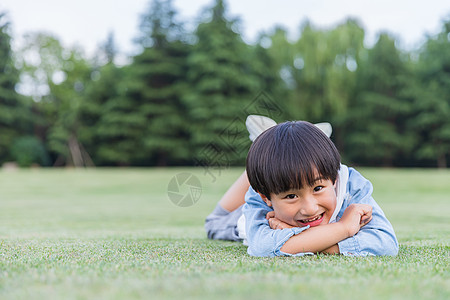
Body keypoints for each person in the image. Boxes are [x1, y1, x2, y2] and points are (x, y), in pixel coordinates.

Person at [205, 116, 398, 257]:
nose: (310, 208)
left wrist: (295, 241)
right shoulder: (261, 198)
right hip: (253, 202)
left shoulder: (351, 184)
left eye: (318, 189)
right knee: (213, 223)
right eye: (291, 196)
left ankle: (286, 150)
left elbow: (386, 244)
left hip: (288, 180)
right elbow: (261, 248)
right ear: (266, 198)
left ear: (333, 178)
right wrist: (344, 228)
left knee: (294, 171)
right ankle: (266, 146)